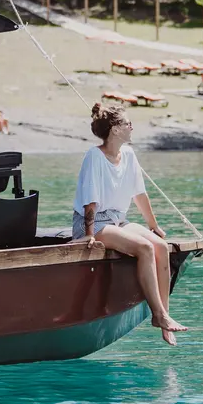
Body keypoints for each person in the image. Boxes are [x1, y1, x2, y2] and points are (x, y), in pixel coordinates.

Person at [74, 103, 189, 345]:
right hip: (96, 224)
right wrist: (88, 234)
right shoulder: (94, 156)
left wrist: (153, 226)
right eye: (127, 123)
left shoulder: (128, 155)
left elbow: (139, 194)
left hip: (118, 220)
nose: (131, 127)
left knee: (159, 247)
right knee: (144, 249)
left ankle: (164, 316)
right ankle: (158, 314)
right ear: (115, 129)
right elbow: (90, 201)